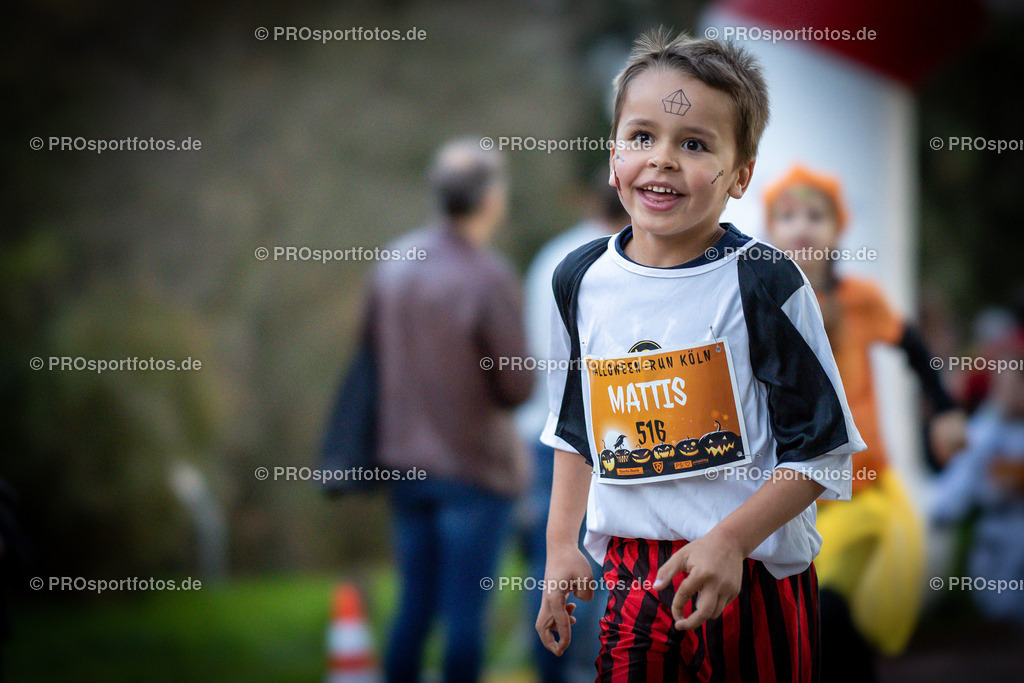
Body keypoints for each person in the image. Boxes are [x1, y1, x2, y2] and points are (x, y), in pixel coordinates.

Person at [535, 29, 866, 681]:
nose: (661, 160)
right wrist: (558, 547)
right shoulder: (577, 279)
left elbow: (822, 450)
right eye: (641, 136)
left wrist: (731, 540)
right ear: (612, 157)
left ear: (740, 174)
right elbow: (574, 432)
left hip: (753, 572)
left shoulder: (767, 282)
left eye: (694, 144)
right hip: (633, 570)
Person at [762, 164, 968, 681]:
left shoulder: (861, 300)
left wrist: (944, 411)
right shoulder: (762, 300)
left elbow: (916, 351)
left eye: (817, 215)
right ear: (770, 232)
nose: (802, 227)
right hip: (791, 493)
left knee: (838, 611)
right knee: (815, 621)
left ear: (838, 229)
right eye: (788, 217)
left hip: (863, 488)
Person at [370, 139, 533, 682]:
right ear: (490, 197)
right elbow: (517, 387)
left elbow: (368, 363)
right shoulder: (488, 276)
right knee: (466, 615)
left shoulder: (392, 263)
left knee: (413, 607)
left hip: (403, 467)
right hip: (472, 470)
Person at [518, 171, 628, 682]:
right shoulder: (625, 262)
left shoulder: (550, 261)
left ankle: (550, 663)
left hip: (543, 430)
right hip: (608, 435)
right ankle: (592, 667)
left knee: (551, 560)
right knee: (605, 563)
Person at [931, 342, 1024, 624]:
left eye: (1012, 382)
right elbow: (953, 493)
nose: (1003, 391)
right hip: (997, 536)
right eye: (1000, 383)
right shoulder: (984, 429)